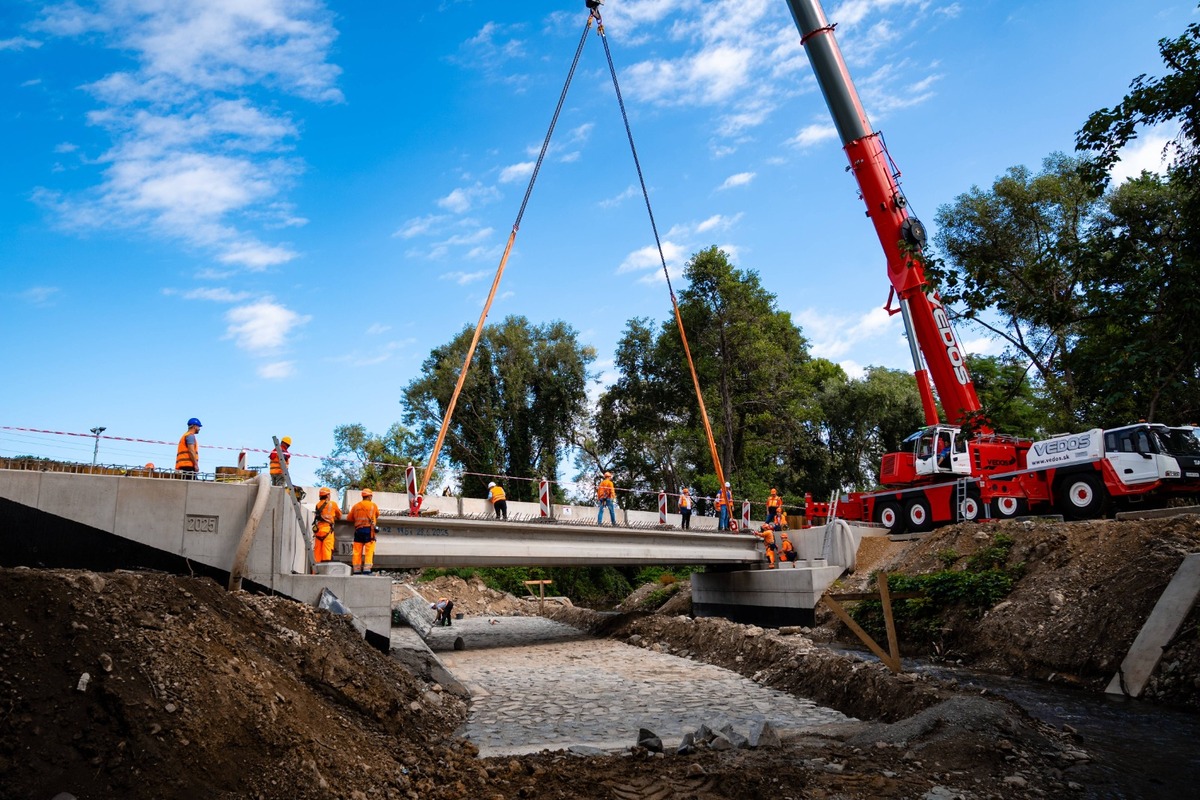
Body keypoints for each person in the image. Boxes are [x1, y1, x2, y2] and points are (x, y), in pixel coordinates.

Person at [348, 488, 379, 575]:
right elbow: (377, 515)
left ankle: (357, 570)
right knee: (369, 550)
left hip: (358, 530)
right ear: (369, 496)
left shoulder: (356, 506)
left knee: (357, 551)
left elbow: (349, 518)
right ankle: (367, 570)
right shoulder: (373, 505)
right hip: (369, 531)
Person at [312, 487, 342, 566]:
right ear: (328, 495)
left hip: (318, 531)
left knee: (317, 552)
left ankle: (315, 572)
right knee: (327, 551)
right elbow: (339, 516)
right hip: (328, 531)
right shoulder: (333, 504)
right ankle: (324, 572)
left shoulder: (318, 505)